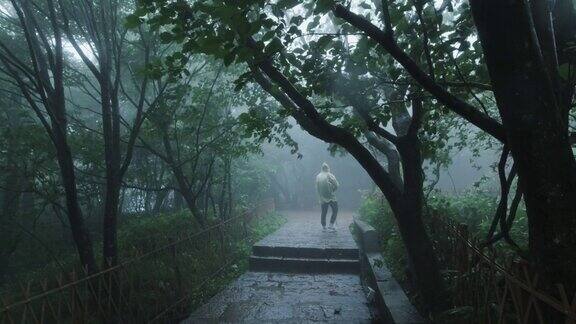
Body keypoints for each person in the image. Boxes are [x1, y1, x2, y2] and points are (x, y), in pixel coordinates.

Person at [316, 163, 339, 231]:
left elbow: (317, 187)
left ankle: (323, 226)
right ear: (327, 168)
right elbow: (337, 184)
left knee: (324, 211)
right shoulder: (329, 174)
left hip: (322, 196)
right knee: (335, 210)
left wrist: (320, 196)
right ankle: (331, 225)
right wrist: (333, 189)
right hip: (331, 196)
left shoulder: (318, 176)